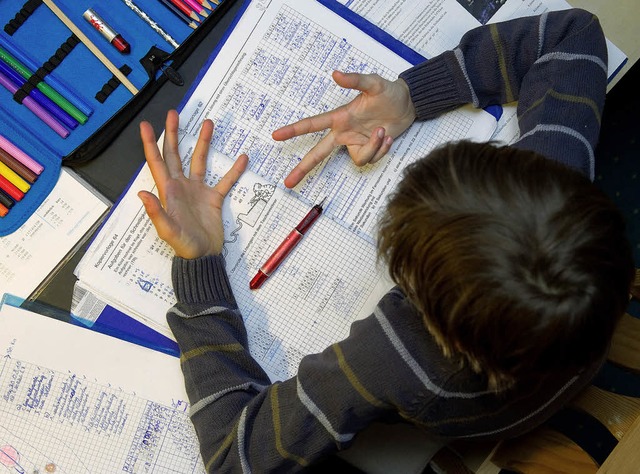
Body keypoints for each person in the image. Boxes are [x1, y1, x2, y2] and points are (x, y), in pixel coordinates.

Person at [137, 8, 635, 473]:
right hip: (577, 358)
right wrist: (412, 96)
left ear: (415, 299)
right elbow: (575, 35)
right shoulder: (560, 186)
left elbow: (235, 454)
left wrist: (200, 264)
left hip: (476, 424)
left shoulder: (400, 355)